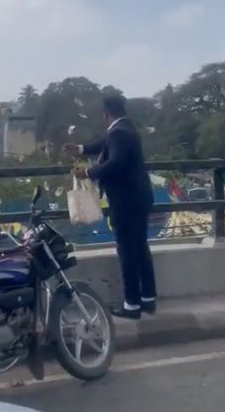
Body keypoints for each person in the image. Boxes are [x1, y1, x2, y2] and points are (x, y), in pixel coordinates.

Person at [63, 94, 157, 320]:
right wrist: (81, 149)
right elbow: (104, 145)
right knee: (140, 248)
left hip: (125, 201)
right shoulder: (126, 129)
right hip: (139, 198)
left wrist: (88, 172)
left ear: (106, 114)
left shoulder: (118, 133)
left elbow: (114, 163)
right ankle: (148, 299)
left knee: (126, 251)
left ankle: (131, 305)